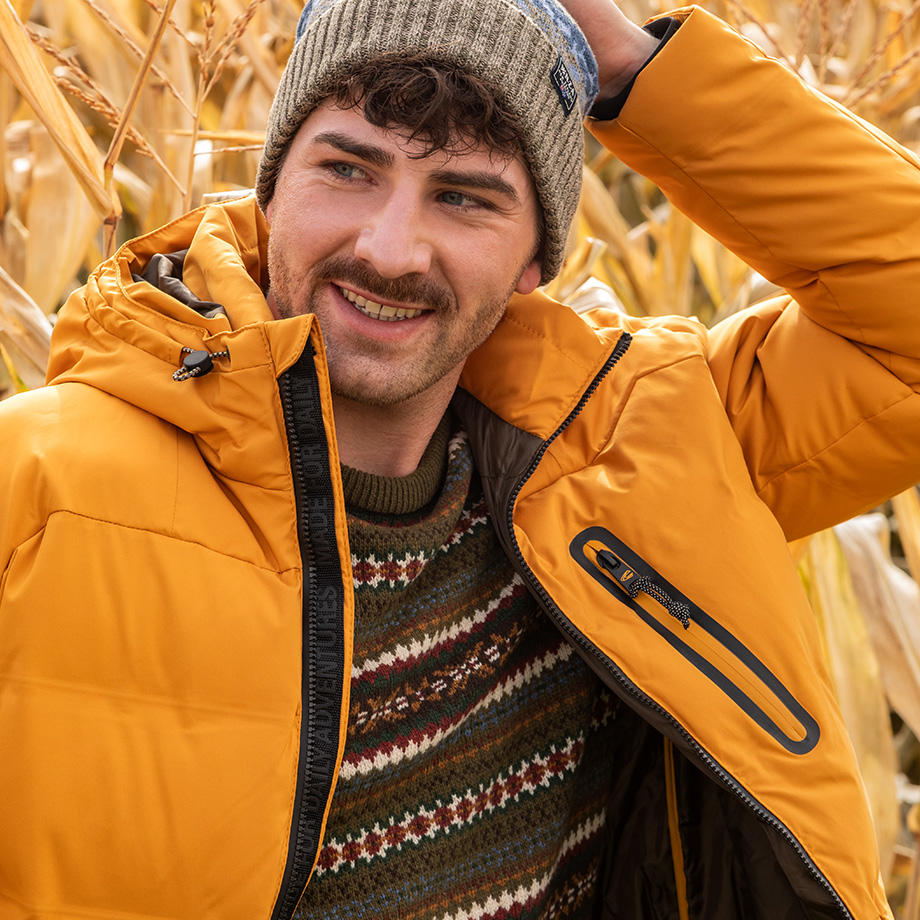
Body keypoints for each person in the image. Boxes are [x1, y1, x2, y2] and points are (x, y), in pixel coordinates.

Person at [0, 0, 917, 915]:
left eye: (465, 198)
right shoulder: (40, 487)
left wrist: (634, 69)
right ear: (269, 191)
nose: (389, 250)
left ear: (535, 262)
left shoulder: (649, 444)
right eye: (348, 170)